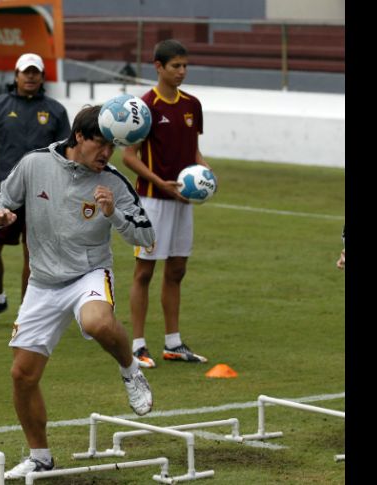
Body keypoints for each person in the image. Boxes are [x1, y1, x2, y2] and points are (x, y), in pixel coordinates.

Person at [0, 105, 155, 479]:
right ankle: (40, 456)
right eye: (101, 144)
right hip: (42, 282)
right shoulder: (34, 164)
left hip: (88, 273)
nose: (107, 154)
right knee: (22, 375)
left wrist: (114, 215)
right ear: (79, 137)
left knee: (96, 323)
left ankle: (130, 369)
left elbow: (146, 235)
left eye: (113, 146)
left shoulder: (113, 182)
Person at [122, 39, 210, 368]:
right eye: (176, 66)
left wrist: (204, 170)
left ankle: (173, 343)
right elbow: (128, 156)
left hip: (183, 200)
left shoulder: (192, 104)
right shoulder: (145, 107)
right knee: (144, 271)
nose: (182, 72)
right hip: (152, 201)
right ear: (158, 67)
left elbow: (194, 149)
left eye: (185, 66)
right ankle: (137, 346)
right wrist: (159, 181)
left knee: (177, 269)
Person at [0, 53, 70, 325]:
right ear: (16, 75)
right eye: (25, 72)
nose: (30, 77)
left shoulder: (55, 111)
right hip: (4, 195)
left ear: (42, 77)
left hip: (41, 196)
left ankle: (27, 314)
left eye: (35, 72)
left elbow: (66, 156)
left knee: (32, 257)